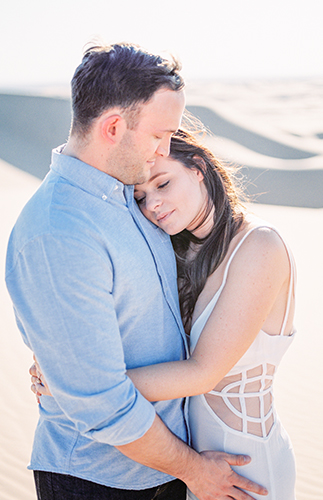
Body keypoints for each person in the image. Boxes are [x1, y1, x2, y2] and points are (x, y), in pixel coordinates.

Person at [6, 42, 267, 500]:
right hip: (99, 481)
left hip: (166, 470)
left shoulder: (134, 197)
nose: (166, 149)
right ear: (113, 127)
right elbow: (102, 404)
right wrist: (195, 471)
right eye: (159, 135)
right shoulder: (59, 232)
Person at [33, 128, 296, 499]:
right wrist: (59, 362)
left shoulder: (260, 246)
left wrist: (78, 387)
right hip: (189, 465)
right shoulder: (178, 251)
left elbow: (202, 373)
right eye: (140, 197)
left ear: (198, 168)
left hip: (244, 465)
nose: (153, 204)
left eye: (163, 184)